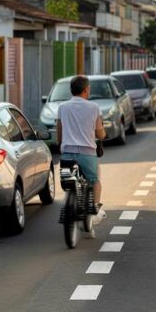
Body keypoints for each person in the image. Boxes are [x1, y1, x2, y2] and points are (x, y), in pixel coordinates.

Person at [56, 75, 107, 219]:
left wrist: (61, 143)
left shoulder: (62, 107)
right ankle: (94, 211)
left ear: (71, 90)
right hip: (87, 154)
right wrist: (103, 134)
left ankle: (71, 203)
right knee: (95, 180)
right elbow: (100, 132)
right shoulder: (94, 107)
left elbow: (59, 134)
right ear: (86, 89)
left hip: (67, 153)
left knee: (69, 185)